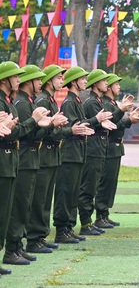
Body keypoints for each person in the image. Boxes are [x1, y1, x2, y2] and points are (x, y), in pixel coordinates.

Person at [28, 66, 93, 250]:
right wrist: (68, 129)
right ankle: (49, 233)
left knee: (65, 194)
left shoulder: (57, 100)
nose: (60, 80)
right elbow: (50, 131)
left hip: (58, 153)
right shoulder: (48, 101)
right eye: (57, 77)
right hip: (56, 153)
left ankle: (59, 230)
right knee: (53, 196)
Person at [0, 61, 53, 270]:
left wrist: (44, 124)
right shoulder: (12, 102)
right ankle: (12, 249)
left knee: (18, 207)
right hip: (10, 159)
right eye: (15, 76)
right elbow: (15, 132)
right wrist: (32, 121)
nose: (18, 80)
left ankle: (15, 246)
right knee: (11, 209)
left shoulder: (10, 102)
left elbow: (19, 130)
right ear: (5, 79)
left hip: (13, 159)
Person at [53, 66, 113, 244]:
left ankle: (68, 228)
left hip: (78, 152)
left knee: (73, 193)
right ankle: (62, 229)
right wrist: (96, 120)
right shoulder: (70, 102)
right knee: (66, 193)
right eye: (82, 79)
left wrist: (96, 120)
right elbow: (74, 126)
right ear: (74, 82)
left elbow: (80, 124)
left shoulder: (77, 101)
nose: (86, 81)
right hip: (70, 153)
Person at [96, 73, 139, 229]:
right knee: (105, 182)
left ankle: (105, 214)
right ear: (108, 86)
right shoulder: (106, 104)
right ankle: (100, 215)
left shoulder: (113, 103)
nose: (119, 86)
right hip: (109, 146)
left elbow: (118, 121)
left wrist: (129, 117)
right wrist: (128, 118)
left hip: (116, 147)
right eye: (116, 84)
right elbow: (114, 123)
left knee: (111, 183)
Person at [79, 69, 117, 236]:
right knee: (88, 187)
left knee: (93, 186)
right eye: (103, 81)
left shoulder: (98, 101)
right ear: (95, 83)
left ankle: (90, 221)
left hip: (99, 148)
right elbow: (92, 124)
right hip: (93, 148)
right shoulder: (91, 102)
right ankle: (86, 222)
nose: (106, 84)